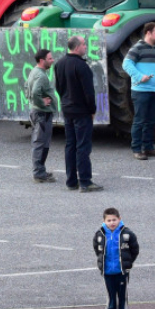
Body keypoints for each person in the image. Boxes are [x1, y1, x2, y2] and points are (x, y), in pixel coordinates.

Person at [53, 35, 102, 192]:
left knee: (70, 145)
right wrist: (92, 109)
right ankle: (86, 181)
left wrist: (65, 101)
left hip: (67, 109)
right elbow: (89, 92)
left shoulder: (59, 64)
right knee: (83, 146)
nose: (86, 46)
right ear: (77, 47)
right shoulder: (82, 66)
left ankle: (71, 181)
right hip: (81, 111)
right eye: (83, 44)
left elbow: (58, 87)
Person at [122, 22, 155, 160]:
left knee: (151, 121)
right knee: (140, 120)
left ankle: (148, 147)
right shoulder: (137, 48)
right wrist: (140, 76)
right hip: (141, 90)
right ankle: (136, 149)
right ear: (148, 33)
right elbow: (126, 64)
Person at [93, 207, 139, 309]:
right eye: (109, 220)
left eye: (114, 220)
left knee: (122, 296)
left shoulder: (127, 234)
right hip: (108, 272)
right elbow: (97, 250)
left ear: (119, 219)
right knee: (111, 296)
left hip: (121, 271)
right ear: (104, 221)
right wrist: (102, 264)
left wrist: (127, 263)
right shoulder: (100, 234)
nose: (112, 222)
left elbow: (134, 250)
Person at [25, 49, 56, 183]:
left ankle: (41, 171)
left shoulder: (34, 71)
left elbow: (27, 88)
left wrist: (33, 101)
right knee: (40, 143)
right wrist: (42, 103)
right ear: (42, 61)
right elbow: (35, 92)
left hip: (37, 111)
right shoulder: (42, 76)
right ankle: (38, 173)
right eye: (50, 58)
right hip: (42, 114)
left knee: (41, 142)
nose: (52, 60)